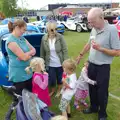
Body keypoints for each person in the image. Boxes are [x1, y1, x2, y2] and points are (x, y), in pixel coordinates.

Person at [76, 8, 120, 120]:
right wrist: (80, 55)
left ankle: (102, 113)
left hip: (103, 67)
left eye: (92, 21)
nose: (90, 24)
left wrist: (101, 49)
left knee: (102, 92)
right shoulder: (94, 29)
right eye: (89, 21)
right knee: (92, 89)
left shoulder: (112, 30)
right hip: (91, 65)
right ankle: (94, 107)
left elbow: (117, 52)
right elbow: (88, 44)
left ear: (101, 18)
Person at [6, 20, 36, 95]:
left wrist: (26, 54)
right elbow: (24, 58)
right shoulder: (11, 41)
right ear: (17, 27)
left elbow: (34, 50)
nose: (24, 32)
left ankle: (30, 106)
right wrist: (27, 55)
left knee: (30, 93)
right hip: (18, 74)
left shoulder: (22, 38)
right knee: (21, 96)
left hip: (28, 71)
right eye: (23, 30)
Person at [40, 21, 68, 97]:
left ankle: (59, 90)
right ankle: (52, 90)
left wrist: (65, 63)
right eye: (52, 30)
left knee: (60, 79)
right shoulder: (44, 38)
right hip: (50, 64)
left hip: (60, 63)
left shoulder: (60, 37)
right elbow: (42, 52)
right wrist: (42, 63)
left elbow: (65, 50)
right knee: (52, 79)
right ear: (48, 29)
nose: (54, 31)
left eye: (56, 29)